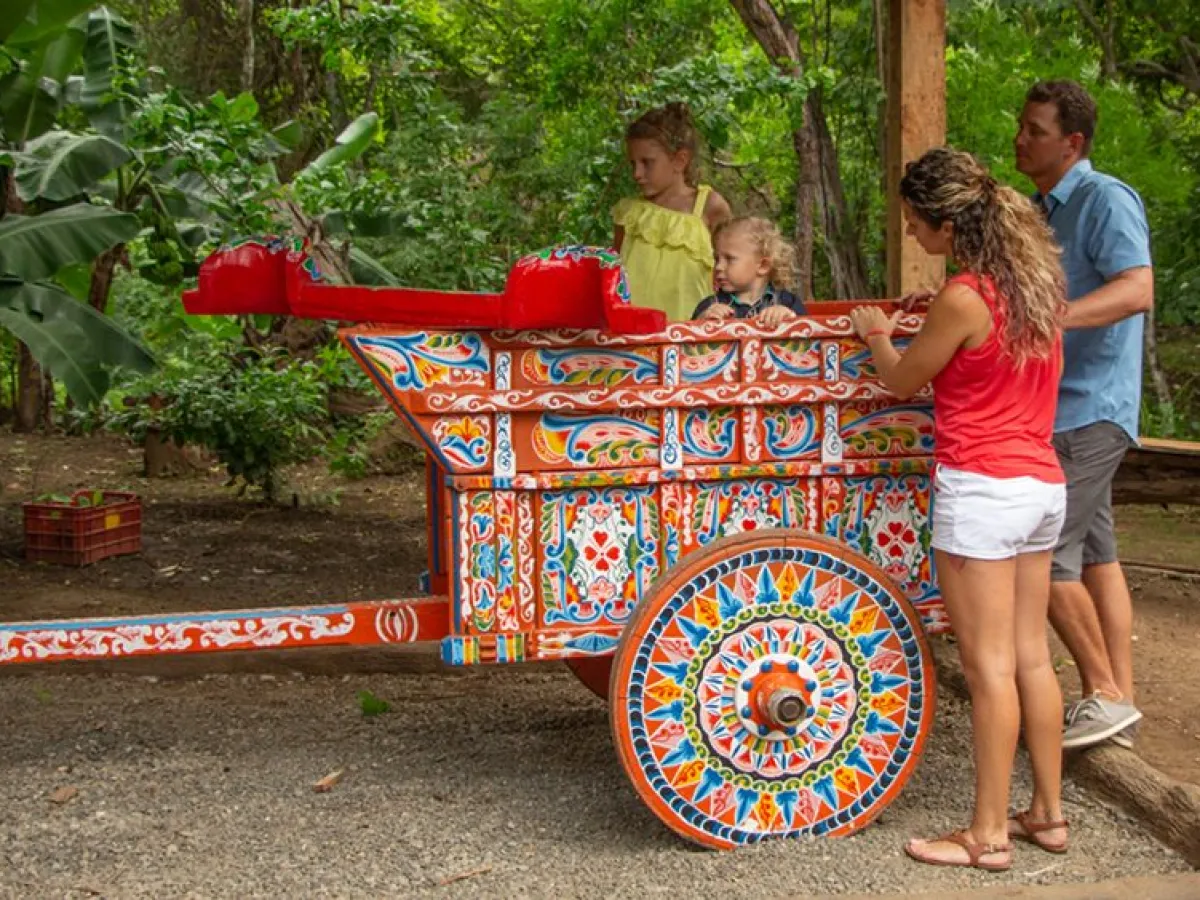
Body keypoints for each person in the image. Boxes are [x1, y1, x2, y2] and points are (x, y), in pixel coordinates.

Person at [851, 147, 1069, 871]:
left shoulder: (965, 296)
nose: (913, 236)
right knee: (1032, 657)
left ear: (947, 222)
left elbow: (903, 381)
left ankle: (985, 835)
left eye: (916, 224)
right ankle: (1046, 812)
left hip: (982, 490)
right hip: (1040, 484)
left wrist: (877, 331)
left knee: (987, 669)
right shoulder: (1033, 283)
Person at [1015, 80, 1153, 751]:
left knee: (1037, 555)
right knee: (1098, 555)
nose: (1021, 138)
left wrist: (1054, 318)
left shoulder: (1104, 199)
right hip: (1059, 408)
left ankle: (1100, 690)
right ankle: (1117, 706)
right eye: (1022, 126)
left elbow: (1137, 287)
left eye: (1034, 130)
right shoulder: (1041, 211)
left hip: (1090, 407)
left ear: (1072, 143)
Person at [612, 103, 732, 321]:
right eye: (633, 164)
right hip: (633, 342)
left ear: (679, 160)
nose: (637, 173)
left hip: (691, 341)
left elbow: (734, 274)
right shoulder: (628, 214)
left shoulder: (710, 207)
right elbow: (612, 282)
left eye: (647, 163)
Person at [692, 216, 806, 325]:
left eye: (729, 259)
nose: (718, 267)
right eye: (717, 259)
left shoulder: (788, 302)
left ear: (763, 266)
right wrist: (702, 320)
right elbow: (688, 339)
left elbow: (808, 335)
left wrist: (789, 317)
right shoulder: (710, 304)